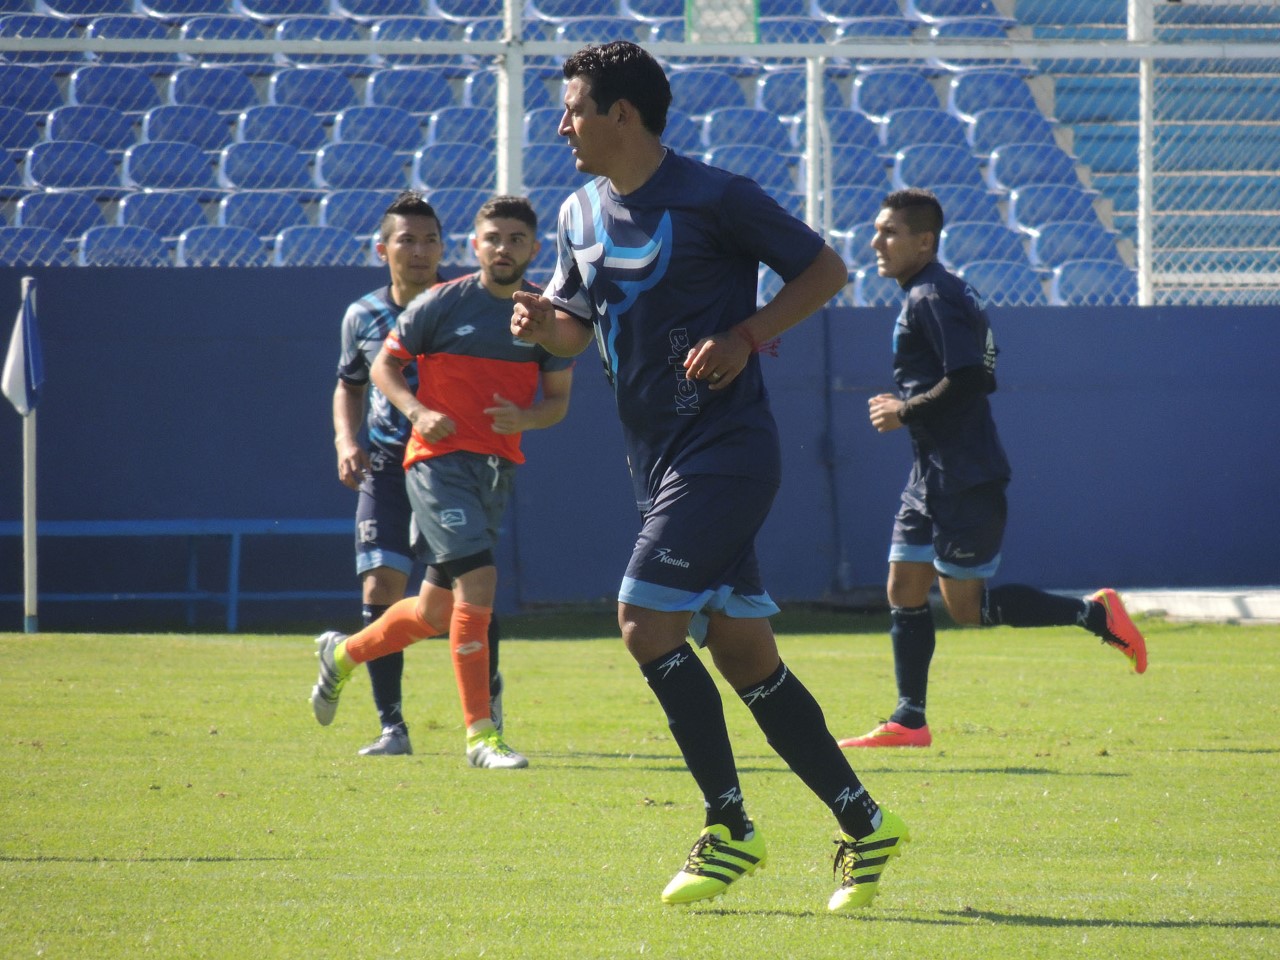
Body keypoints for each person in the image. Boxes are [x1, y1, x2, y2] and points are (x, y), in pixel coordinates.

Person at [509, 40, 908, 912]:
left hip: (727, 452)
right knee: (740, 652)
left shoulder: (717, 195)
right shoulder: (578, 212)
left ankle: (729, 825)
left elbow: (826, 268)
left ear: (622, 114)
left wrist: (747, 335)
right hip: (655, 463)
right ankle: (864, 819)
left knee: (642, 621)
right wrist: (546, 325)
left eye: (573, 108)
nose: (561, 123)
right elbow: (578, 326)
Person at [838, 188, 1148, 751]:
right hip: (929, 476)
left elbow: (972, 378)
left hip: (964, 475)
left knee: (969, 611)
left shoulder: (932, 295)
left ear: (924, 240)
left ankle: (1094, 615)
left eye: (888, 232)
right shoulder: (937, 291)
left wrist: (902, 410)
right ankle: (910, 719)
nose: (875, 242)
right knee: (903, 586)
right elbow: (980, 365)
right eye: (877, 230)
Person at [315, 195, 574, 769]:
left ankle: (344, 654)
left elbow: (556, 403)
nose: (503, 248)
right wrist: (416, 412)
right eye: (492, 238)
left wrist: (526, 418)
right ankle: (482, 736)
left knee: (435, 610)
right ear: (474, 245)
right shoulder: (442, 302)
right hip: (434, 462)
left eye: (515, 239)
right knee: (478, 583)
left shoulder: (546, 318)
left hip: (494, 469)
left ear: (535, 249)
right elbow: (381, 366)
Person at [332, 191, 506, 758]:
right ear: (382, 249)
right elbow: (350, 385)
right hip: (385, 467)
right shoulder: (361, 315)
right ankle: (392, 727)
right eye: (407, 239)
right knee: (381, 584)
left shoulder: (460, 303)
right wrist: (345, 439)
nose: (420, 250)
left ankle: (488, 711)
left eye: (431, 239)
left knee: (467, 587)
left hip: (447, 468)